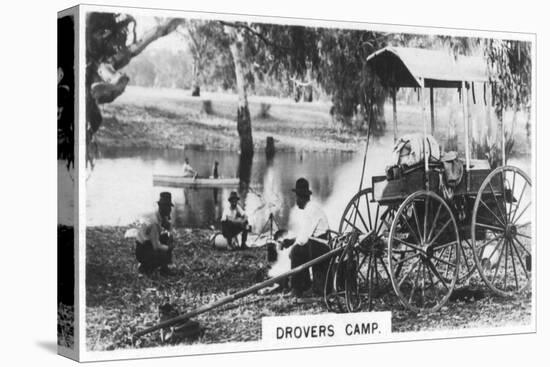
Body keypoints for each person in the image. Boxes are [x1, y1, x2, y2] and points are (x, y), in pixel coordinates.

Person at [288, 178, 330, 297]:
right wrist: (292, 241)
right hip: (320, 244)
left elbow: (303, 240)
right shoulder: (312, 208)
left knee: (296, 251)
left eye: (296, 198)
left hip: (322, 247)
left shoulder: (309, 210)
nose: (296, 201)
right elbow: (305, 234)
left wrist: (293, 246)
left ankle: (298, 288)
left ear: (301, 197)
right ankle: (305, 285)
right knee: (299, 248)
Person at [135, 192, 177, 276]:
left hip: (146, 245)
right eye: (167, 207)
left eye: (170, 207)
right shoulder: (154, 222)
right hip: (143, 250)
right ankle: (147, 266)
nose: (170, 210)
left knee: (166, 237)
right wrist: (169, 248)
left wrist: (170, 227)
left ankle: (155, 266)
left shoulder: (159, 216)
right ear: (161, 207)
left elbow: (170, 229)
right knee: (163, 248)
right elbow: (156, 245)